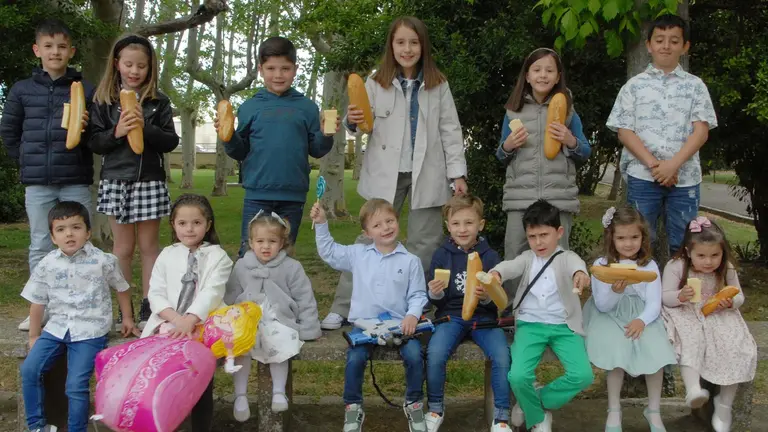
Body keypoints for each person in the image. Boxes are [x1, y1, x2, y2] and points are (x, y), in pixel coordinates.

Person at [321, 16, 467, 330]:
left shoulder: (438, 85)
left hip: (428, 172)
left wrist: (457, 174)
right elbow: (359, 124)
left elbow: (451, 131)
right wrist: (351, 120)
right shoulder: (375, 82)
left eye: (414, 42)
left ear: (423, 46)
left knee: (424, 244)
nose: (407, 49)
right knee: (367, 241)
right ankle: (343, 306)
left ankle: (418, 307)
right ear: (391, 46)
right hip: (385, 173)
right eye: (400, 42)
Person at [0, 19, 95, 331]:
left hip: (75, 179)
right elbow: (9, 132)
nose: (55, 52)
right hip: (38, 183)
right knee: (41, 244)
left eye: (62, 46)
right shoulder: (22, 90)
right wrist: (26, 162)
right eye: (49, 46)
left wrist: (86, 128)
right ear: (37, 50)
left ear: (71, 51)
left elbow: (96, 137)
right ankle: (39, 310)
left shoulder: (85, 90)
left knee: (80, 244)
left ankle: (81, 308)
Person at [311, 198, 428, 432]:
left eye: (389, 221)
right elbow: (330, 252)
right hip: (364, 326)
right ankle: (353, 407)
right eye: (377, 225)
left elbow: (418, 294)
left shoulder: (411, 261)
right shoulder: (358, 254)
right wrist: (322, 224)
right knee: (355, 359)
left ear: (397, 221)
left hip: (399, 325)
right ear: (367, 233)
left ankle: (414, 403)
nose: (385, 228)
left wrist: (413, 315)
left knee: (415, 355)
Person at [88, 33, 179, 330]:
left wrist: (145, 127)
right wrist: (117, 132)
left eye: (141, 65)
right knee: (123, 249)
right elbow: (95, 142)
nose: (135, 71)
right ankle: (123, 308)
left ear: (150, 67)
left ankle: (150, 306)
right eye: (128, 64)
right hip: (116, 179)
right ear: (117, 64)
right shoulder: (103, 100)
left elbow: (170, 141)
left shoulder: (159, 101)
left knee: (149, 248)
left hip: (149, 180)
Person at [606, 14, 718, 256]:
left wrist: (672, 165)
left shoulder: (695, 86)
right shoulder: (634, 86)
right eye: (659, 40)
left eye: (674, 41)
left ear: (685, 47)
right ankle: (643, 282)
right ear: (649, 45)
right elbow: (624, 131)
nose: (666, 46)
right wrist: (655, 166)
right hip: (643, 175)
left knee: (685, 243)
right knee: (639, 243)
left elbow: (701, 132)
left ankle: (681, 282)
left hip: (684, 178)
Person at [20, 201, 137, 432]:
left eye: (76, 227)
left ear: (88, 232)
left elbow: (122, 288)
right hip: (56, 328)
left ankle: (76, 429)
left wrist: (127, 318)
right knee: (30, 370)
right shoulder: (47, 264)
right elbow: (37, 300)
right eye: (61, 229)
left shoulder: (103, 261)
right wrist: (34, 335)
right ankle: (37, 426)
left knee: (75, 385)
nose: (69, 234)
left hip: (90, 331)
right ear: (53, 237)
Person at [215, 36, 338, 256]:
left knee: (283, 255)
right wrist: (228, 135)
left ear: (295, 69)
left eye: (285, 68)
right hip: (257, 195)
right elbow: (239, 151)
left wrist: (326, 135)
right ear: (260, 70)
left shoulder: (307, 107)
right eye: (271, 68)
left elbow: (317, 149)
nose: (278, 75)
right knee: (250, 255)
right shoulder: (249, 107)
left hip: (293, 196)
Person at [489, 199, 593, 432]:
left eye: (544, 235)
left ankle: (533, 402)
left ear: (559, 232)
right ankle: (538, 417)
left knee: (583, 375)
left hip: (564, 326)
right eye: (532, 237)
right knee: (518, 376)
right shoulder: (527, 258)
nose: (539, 242)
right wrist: (496, 273)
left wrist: (580, 274)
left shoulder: (567, 257)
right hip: (530, 325)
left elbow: (577, 266)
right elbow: (510, 266)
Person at [140, 194, 233, 432]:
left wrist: (190, 319)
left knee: (200, 383)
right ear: (173, 224)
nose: (189, 229)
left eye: (196, 223)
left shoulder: (219, 257)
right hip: (168, 323)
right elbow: (155, 292)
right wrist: (176, 319)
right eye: (182, 223)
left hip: (203, 325)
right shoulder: (167, 254)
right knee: (165, 383)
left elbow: (212, 292)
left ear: (208, 224)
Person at [582, 206, 676, 431]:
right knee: (617, 350)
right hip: (610, 314)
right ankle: (614, 409)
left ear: (643, 237)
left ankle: (654, 410)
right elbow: (603, 305)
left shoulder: (649, 265)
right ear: (611, 238)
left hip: (643, 314)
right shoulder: (601, 266)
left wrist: (642, 320)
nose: (628, 243)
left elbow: (654, 302)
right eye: (621, 238)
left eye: (634, 237)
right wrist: (616, 292)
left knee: (656, 350)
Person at [661, 216, 756, 432]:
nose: (708, 262)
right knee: (691, 338)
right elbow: (665, 296)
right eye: (701, 256)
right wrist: (680, 296)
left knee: (735, 346)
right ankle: (693, 389)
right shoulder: (676, 266)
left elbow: (739, 296)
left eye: (715, 255)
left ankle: (724, 405)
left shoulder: (726, 268)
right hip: (687, 312)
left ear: (722, 253)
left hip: (719, 314)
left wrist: (730, 302)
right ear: (688, 252)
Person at [496, 47, 591, 261]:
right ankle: (516, 288)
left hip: (558, 199)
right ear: (527, 76)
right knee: (515, 257)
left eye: (549, 70)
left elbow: (585, 152)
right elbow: (501, 156)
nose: (543, 75)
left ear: (558, 77)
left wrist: (570, 140)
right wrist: (508, 146)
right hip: (520, 199)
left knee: (558, 259)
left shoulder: (568, 111)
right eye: (537, 70)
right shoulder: (513, 111)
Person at [225, 211, 321, 421]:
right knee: (241, 345)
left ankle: (278, 391)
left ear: (282, 243)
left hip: (278, 319)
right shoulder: (242, 266)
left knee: (281, 339)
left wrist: (309, 327)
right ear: (251, 243)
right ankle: (240, 396)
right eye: (260, 241)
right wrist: (224, 320)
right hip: (247, 320)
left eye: (272, 241)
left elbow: (305, 298)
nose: (265, 246)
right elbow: (230, 294)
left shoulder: (291, 267)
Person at [424, 194, 509, 432]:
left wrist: (487, 296)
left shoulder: (490, 256)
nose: (462, 229)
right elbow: (436, 301)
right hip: (451, 317)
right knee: (435, 353)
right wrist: (435, 292)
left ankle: (501, 416)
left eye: (469, 223)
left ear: (480, 225)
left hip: (484, 319)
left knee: (502, 355)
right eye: (456, 223)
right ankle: (435, 408)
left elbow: (498, 300)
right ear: (448, 226)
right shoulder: (441, 254)